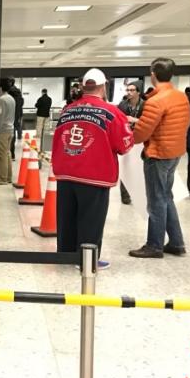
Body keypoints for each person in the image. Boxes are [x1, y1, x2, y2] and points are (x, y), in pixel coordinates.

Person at [52, 68, 133, 268]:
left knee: (66, 217)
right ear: (103, 87)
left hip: (65, 173)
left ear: (82, 86)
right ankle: (86, 261)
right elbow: (123, 145)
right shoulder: (112, 112)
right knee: (91, 219)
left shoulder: (68, 110)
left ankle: (65, 255)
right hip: (94, 175)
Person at [129, 58, 190, 258]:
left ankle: (154, 245)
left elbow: (142, 134)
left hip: (157, 154)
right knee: (166, 197)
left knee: (156, 201)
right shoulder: (180, 97)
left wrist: (133, 131)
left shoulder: (155, 101)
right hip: (174, 152)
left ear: (153, 74)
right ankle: (176, 242)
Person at [116, 83, 144, 204]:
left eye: (132, 90)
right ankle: (125, 195)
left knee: (138, 167)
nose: (129, 92)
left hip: (140, 139)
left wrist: (135, 120)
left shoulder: (145, 105)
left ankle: (138, 192)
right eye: (128, 90)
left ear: (138, 92)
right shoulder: (122, 105)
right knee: (125, 167)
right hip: (125, 139)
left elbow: (150, 121)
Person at [0, 78, 16, 185]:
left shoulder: (1, 100)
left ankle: (2, 178)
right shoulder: (11, 98)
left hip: (3, 130)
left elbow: (0, 117)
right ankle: (8, 177)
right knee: (7, 153)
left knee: (1, 154)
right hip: (10, 129)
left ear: (0, 87)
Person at [7, 78, 23, 160]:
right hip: (16, 116)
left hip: (9, 117)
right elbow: (21, 105)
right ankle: (12, 154)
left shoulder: (9, 93)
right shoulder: (19, 93)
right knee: (13, 135)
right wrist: (19, 116)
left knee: (7, 136)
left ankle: (9, 154)